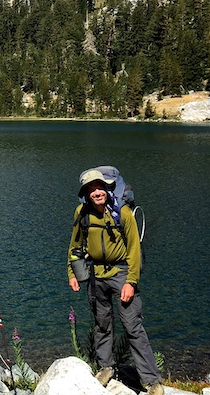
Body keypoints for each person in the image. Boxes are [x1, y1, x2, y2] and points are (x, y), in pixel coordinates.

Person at [67, 169, 164, 395]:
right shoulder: (81, 213)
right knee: (102, 324)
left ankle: (152, 381)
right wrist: (72, 273)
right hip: (96, 276)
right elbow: (74, 245)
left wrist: (131, 281)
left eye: (99, 187)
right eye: (91, 190)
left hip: (121, 274)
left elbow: (134, 249)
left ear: (107, 188)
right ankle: (106, 367)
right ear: (85, 194)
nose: (96, 193)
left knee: (132, 327)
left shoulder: (123, 212)